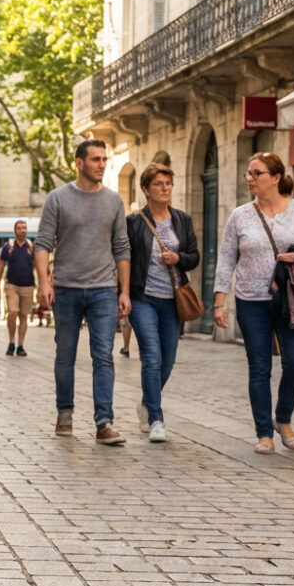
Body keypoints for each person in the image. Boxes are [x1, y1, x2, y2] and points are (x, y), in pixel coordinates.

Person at [213, 152, 294, 455]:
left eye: (257, 173)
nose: (250, 178)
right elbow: (226, 258)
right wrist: (220, 301)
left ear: (276, 178)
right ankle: (264, 432)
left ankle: (283, 418)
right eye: (248, 174)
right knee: (259, 367)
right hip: (252, 301)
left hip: (291, 298)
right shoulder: (240, 216)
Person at [35, 139, 131, 444]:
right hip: (66, 289)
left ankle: (104, 422)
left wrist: (124, 291)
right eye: (95, 160)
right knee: (65, 355)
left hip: (103, 289)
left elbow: (122, 249)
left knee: (103, 355)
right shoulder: (58, 198)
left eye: (104, 159)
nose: (101, 165)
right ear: (79, 163)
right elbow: (43, 244)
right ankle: (65, 413)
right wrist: (44, 283)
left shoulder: (114, 201)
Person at [125, 163, 199, 443]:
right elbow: (124, 260)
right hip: (143, 298)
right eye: (158, 183)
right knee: (152, 357)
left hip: (173, 300)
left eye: (168, 183)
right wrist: (122, 295)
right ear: (146, 189)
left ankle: (146, 402)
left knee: (167, 360)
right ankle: (156, 418)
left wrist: (178, 258)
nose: (165, 188)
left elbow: (194, 256)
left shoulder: (182, 220)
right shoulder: (133, 223)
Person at [0, 220, 37, 356]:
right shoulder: (8, 247)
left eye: (24, 228)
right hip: (12, 285)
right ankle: (11, 341)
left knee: (24, 315)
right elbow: (1, 268)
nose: (22, 230)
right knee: (13, 313)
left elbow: (38, 266)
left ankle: (20, 345)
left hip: (28, 286)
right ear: (15, 231)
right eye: (19, 228)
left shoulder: (31, 248)